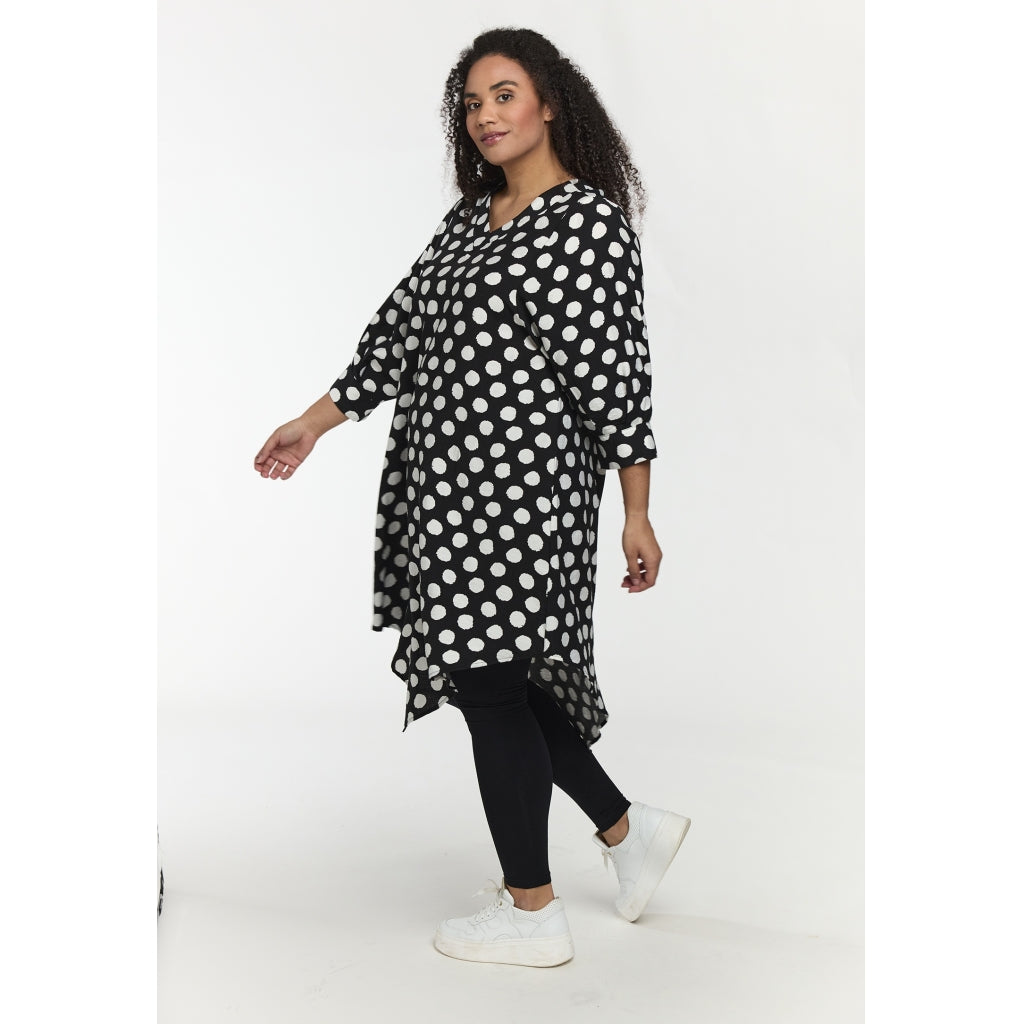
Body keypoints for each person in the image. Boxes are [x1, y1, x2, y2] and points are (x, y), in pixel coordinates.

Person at [254, 26, 690, 968]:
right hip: (448, 494)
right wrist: (314, 422)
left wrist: (636, 509)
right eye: (471, 103)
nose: (485, 115)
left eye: (503, 95)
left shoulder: (587, 225)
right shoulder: (471, 219)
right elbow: (399, 331)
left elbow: (619, 376)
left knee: (490, 684)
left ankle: (532, 911)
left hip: (525, 497)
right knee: (498, 679)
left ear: (550, 103)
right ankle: (628, 832)